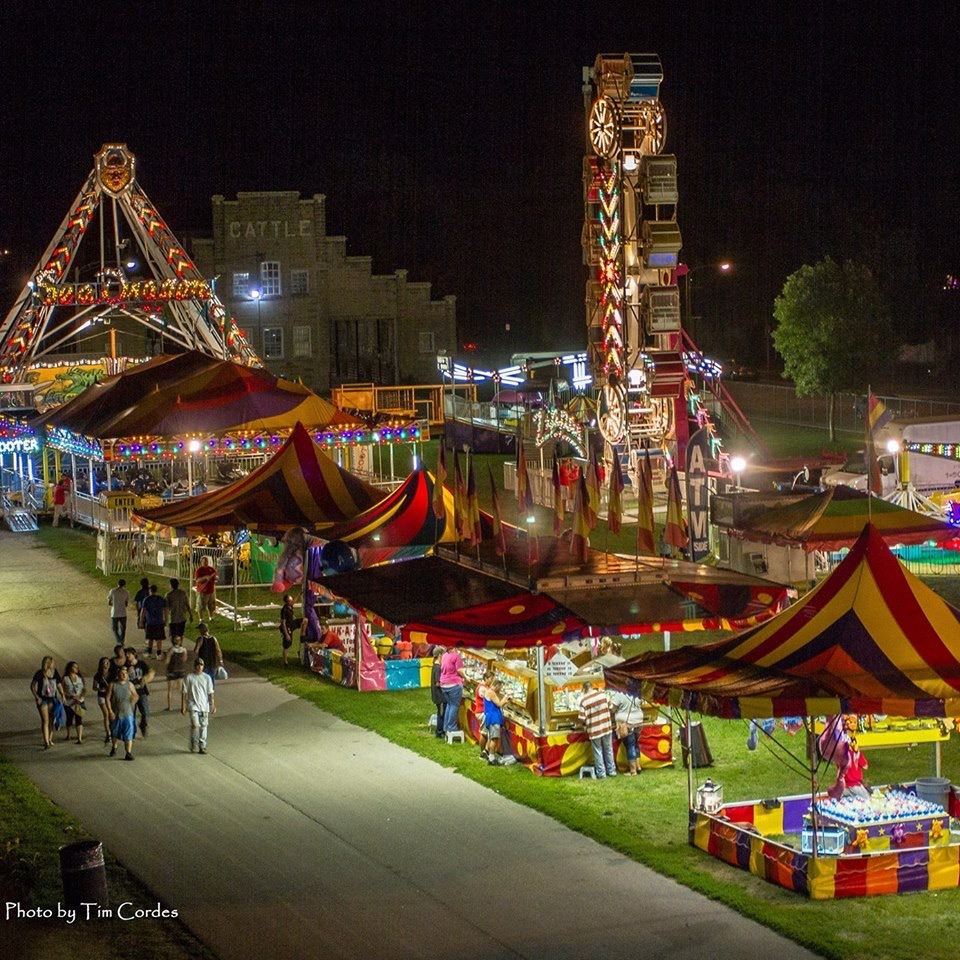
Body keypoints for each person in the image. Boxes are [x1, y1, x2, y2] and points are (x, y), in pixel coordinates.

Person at [578, 681, 616, 779]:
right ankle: (611, 771)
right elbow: (611, 708)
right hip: (606, 726)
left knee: (598, 751)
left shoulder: (584, 701)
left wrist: (583, 725)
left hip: (594, 729)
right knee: (608, 749)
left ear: (584, 689)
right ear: (592, 687)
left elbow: (582, 718)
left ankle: (601, 773)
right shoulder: (603, 695)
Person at [181, 657, 216, 754]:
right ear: (195, 666)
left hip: (204, 706)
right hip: (193, 705)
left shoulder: (207, 678)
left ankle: (202, 746)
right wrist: (183, 706)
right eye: (198, 665)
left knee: (204, 726)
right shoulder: (189, 677)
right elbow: (184, 692)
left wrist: (212, 704)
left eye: (201, 665)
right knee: (195, 725)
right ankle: (194, 743)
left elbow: (210, 692)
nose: (199, 667)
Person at [608, 688, 644, 775]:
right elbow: (641, 702)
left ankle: (633, 771)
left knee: (630, 745)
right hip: (638, 721)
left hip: (626, 723)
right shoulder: (637, 692)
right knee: (635, 744)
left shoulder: (620, 694)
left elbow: (613, 710)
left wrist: (610, 704)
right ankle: (638, 766)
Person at [30, 656, 63, 749]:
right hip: (43, 699)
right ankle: (46, 743)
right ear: (48, 663)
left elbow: (59, 684)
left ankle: (49, 739)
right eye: (52, 662)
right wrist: (37, 697)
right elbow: (32, 686)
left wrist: (62, 694)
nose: (54, 664)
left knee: (52, 721)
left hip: (53, 699)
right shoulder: (39, 673)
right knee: (45, 721)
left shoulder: (55, 672)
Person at [107, 665, 139, 760]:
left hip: (128, 713)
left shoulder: (130, 685)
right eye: (122, 673)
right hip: (116, 713)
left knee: (129, 732)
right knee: (114, 732)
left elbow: (136, 695)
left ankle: (128, 753)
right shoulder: (113, 685)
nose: (124, 675)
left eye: (125, 673)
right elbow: (107, 698)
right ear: (118, 674)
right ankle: (114, 747)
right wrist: (110, 711)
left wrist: (134, 700)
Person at [124, 647, 154, 738]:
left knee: (145, 712)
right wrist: (127, 673)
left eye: (129, 653)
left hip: (142, 692)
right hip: (131, 694)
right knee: (131, 714)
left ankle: (143, 725)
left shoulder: (141, 664)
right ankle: (132, 732)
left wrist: (145, 679)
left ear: (134, 654)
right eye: (126, 654)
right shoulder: (125, 666)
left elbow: (150, 673)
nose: (127, 656)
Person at [438, 646, 465, 735]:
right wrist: (466, 677)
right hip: (453, 684)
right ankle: (452, 727)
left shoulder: (445, 655)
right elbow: (460, 670)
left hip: (444, 684)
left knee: (449, 705)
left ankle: (446, 726)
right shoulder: (456, 656)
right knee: (454, 706)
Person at [481, 679, 508, 766]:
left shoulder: (488, 691)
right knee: (494, 739)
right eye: (500, 687)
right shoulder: (491, 693)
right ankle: (492, 758)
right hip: (494, 718)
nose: (500, 689)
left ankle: (489, 755)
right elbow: (499, 704)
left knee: (491, 738)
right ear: (497, 686)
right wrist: (505, 698)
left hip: (490, 717)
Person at [165, 577, 192, 658]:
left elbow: (166, 608)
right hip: (182, 617)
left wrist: (165, 619)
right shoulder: (183, 593)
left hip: (173, 618)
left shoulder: (169, 595)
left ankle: (175, 648)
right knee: (180, 634)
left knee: (173, 634)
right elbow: (187, 604)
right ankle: (179, 647)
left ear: (171, 585)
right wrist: (190, 614)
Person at [139, 583, 167, 659]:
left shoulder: (147, 599)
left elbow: (143, 611)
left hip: (150, 622)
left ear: (150, 590)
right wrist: (166, 619)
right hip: (159, 621)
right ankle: (158, 653)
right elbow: (165, 610)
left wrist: (141, 621)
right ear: (156, 590)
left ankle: (149, 652)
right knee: (159, 638)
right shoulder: (161, 599)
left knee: (150, 637)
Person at [61, 661, 86, 744]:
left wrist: (80, 697)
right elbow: (62, 690)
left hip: (79, 701)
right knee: (69, 718)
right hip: (69, 702)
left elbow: (84, 689)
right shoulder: (65, 678)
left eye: (77, 667)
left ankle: (79, 738)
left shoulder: (80, 678)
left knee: (79, 719)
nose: (76, 668)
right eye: (74, 667)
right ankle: (68, 735)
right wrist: (69, 696)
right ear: (70, 668)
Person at [192, 622, 223, 687]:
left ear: (202, 630)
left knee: (203, 682)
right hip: (212, 663)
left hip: (203, 664)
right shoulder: (214, 639)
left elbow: (196, 650)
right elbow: (218, 650)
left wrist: (195, 660)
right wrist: (220, 660)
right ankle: (211, 695)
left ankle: (205, 695)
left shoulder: (201, 639)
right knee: (211, 681)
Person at [92, 657, 113, 744]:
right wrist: (100, 689)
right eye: (105, 663)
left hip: (111, 696)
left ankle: (112, 730)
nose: (107, 664)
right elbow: (94, 687)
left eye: (108, 663)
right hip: (102, 696)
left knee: (112, 713)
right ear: (101, 664)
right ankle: (108, 733)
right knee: (106, 714)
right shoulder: (98, 675)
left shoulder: (112, 674)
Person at [166, 633, 189, 711]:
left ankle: (170, 707)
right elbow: (184, 659)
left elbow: (167, 660)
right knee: (181, 689)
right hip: (181, 670)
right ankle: (184, 705)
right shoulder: (184, 650)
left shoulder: (171, 649)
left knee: (170, 690)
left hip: (172, 670)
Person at [279, 594, 302, 666]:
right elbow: (283, 623)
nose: (292, 601)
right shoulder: (284, 610)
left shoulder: (290, 606)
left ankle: (303, 636)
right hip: (287, 627)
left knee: (304, 620)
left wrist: (299, 594)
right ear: (287, 602)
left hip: (292, 624)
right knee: (287, 643)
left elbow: (294, 601)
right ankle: (285, 662)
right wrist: (286, 635)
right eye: (290, 600)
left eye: (292, 600)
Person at [429, 646, 445, 738]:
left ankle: (440, 730)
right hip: (439, 696)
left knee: (440, 712)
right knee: (441, 713)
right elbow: (438, 683)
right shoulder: (438, 668)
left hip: (436, 695)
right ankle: (439, 731)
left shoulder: (435, 666)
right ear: (440, 655)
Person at [108, 578, 129, 643]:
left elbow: (109, 602)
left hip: (115, 612)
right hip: (123, 613)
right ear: (125, 585)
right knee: (123, 628)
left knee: (115, 628)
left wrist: (114, 604)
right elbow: (126, 604)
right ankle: (122, 640)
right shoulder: (126, 592)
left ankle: (118, 640)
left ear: (117, 584)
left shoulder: (112, 591)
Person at [133, 577, 150, 643]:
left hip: (142, 609)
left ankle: (148, 637)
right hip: (150, 610)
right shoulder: (150, 591)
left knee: (145, 623)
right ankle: (149, 636)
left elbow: (137, 603)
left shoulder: (139, 592)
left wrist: (138, 611)